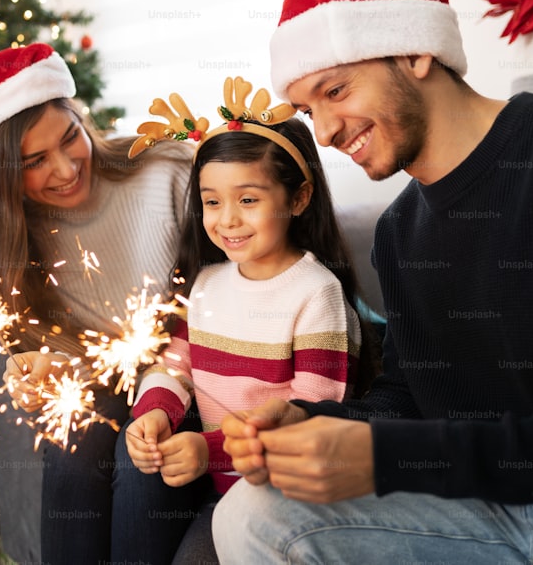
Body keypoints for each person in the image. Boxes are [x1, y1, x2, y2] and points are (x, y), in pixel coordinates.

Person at [215, 0, 533, 563]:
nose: (322, 132)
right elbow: (410, 393)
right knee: (253, 513)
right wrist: (310, 421)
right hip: (473, 507)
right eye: (307, 110)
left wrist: (386, 460)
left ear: (415, 51)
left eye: (335, 90)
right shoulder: (400, 231)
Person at [0, 43, 200, 564]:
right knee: (72, 444)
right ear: (0, 176)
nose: (65, 169)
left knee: (143, 461)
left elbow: (219, 297)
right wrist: (34, 370)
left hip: (190, 374)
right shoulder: (10, 236)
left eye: (70, 138)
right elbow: (39, 348)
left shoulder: (166, 170)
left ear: (82, 120)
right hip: (97, 384)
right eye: (35, 162)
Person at [118, 78, 379, 563]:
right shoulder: (207, 283)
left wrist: (208, 451)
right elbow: (175, 365)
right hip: (217, 487)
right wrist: (157, 409)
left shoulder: (315, 294)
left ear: (298, 199)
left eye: (249, 199)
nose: (227, 219)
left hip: (284, 496)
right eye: (212, 201)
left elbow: (310, 419)